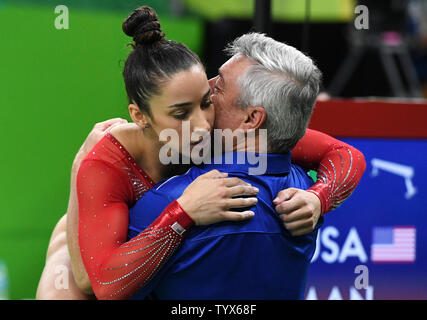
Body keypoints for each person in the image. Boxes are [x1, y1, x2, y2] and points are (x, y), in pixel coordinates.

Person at [36, 6, 365, 300]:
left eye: (208, 99)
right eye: (180, 113)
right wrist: (183, 211)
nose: (199, 126)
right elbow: (95, 283)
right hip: (93, 249)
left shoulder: (230, 135)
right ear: (140, 117)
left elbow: (345, 154)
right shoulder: (109, 160)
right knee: (66, 263)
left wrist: (319, 198)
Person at [126, 32, 325, 299]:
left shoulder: (167, 200)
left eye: (218, 86)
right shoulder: (307, 192)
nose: (206, 86)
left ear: (252, 118)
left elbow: (110, 287)